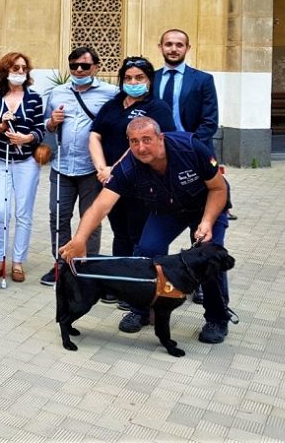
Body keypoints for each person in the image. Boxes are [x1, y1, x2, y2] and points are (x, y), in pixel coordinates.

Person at [60, 116, 234, 344]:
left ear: (160, 138)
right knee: (146, 250)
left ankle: (217, 318)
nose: (140, 147)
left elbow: (218, 188)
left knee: (209, 259)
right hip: (167, 210)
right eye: (134, 141)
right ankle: (141, 310)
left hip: (207, 206)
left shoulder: (190, 149)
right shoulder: (129, 166)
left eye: (146, 140)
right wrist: (80, 239)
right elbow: (102, 204)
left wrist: (207, 221)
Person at [89, 56, 176, 324]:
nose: (133, 82)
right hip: (110, 182)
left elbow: (140, 143)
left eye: (139, 78)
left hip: (141, 184)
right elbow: (95, 135)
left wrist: (114, 169)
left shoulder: (157, 108)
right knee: (120, 234)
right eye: (128, 78)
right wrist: (102, 168)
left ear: (149, 80)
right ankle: (120, 285)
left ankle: (142, 291)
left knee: (141, 238)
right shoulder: (113, 105)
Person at [40, 46, 117, 285]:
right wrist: (52, 122)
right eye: (74, 65)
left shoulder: (111, 93)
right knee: (58, 217)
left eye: (85, 65)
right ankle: (62, 264)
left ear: (96, 66)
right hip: (62, 167)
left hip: (91, 169)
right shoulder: (57, 92)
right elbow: (48, 126)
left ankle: (88, 266)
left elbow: (114, 128)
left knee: (90, 219)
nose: (79, 70)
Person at [153, 30, 230, 219]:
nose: (173, 49)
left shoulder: (202, 79)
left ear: (187, 48)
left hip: (193, 149)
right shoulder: (150, 79)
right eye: (168, 44)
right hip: (158, 151)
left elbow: (210, 121)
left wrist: (190, 147)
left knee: (202, 202)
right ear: (160, 47)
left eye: (179, 45)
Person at [0, 52, 45, 283]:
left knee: (23, 213)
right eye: (15, 68)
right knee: (1, 211)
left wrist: (27, 138)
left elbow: (41, 128)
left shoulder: (34, 98)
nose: (20, 72)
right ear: (5, 70)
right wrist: (0, 127)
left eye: (23, 68)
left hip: (26, 163)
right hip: (0, 160)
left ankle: (18, 261)